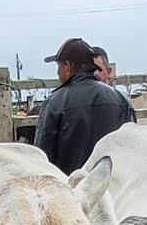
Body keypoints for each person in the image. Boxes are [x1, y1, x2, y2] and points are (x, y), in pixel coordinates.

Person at [34, 37, 135, 174]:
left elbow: (42, 159)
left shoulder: (54, 103)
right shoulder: (123, 101)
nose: (57, 72)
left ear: (68, 66)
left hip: (71, 185)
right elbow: (132, 150)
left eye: (59, 66)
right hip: (114, 184)